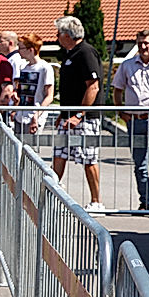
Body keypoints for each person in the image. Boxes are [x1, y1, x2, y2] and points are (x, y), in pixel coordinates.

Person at [52, 16, 105, 211]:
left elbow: (93, 86)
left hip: (84, 118)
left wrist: (80, 114)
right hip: (67, 116)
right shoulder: (69, 54)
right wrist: (63, 113)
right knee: (59, 154)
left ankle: (96, 201)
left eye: (58, 34)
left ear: (67, 35)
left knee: (89, 159)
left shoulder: (86, 53)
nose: (56, 37)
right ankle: (52, 195)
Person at [111, 29, 149, 211]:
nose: (143, 47)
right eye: (140, 43)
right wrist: (122, 112)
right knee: (140, 163)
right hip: (135, 121)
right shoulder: (127, 65)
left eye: (146, 43)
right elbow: (117, 89)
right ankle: (145, 202)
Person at [13, 34, 54, 138]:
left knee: (31, 149)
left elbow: (49, 96)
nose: (19, 51)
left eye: (21, 48)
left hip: (34, 116)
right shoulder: (24, 67)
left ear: (31, 49)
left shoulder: (45, 68)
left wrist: (37, 114)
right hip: (20, 116)